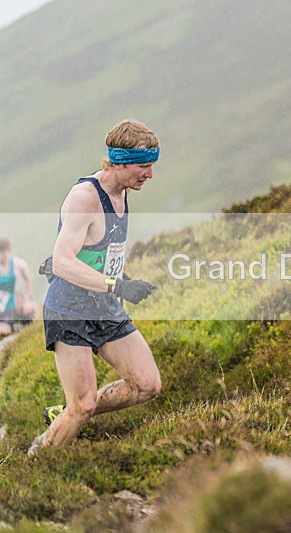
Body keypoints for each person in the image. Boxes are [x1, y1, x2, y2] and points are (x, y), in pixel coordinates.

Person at [28, 119, 162, 455]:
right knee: (83, 405)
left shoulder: (123, 191)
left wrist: (122, 278)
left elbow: (100, 250)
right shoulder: (85, 198)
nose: (149, 174)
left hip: (104, 307)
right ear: (119, 162)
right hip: (69, 312)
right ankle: (37, 460)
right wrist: (117, 285)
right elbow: (62, 261)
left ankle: (64, 413)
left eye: (152, 165)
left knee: (147, 385)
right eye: (143, 166)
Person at [0, 237, 37, 336]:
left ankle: (21, 330)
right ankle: (13, 329)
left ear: (7, 251)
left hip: (11, 303)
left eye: (3, 253)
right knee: (4, 330)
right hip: (2, 306)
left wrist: (27, 299)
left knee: (31, 308)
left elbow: (28, 279)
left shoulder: (18, 264)